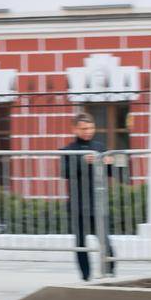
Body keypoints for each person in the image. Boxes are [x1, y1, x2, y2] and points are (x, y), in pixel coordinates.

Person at [61, 113, 117, 281]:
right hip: (78, 203)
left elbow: (110, 173)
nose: (88, 131)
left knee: (105, 239)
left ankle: (109, 271)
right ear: (75, 129)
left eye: (91, 128)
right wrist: (83, 162)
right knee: (80, 243)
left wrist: (109, 163)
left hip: (98, 202)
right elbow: (65, 172)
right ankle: (86, 276)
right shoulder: (68, 150)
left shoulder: (99, 147)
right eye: (84, 128)